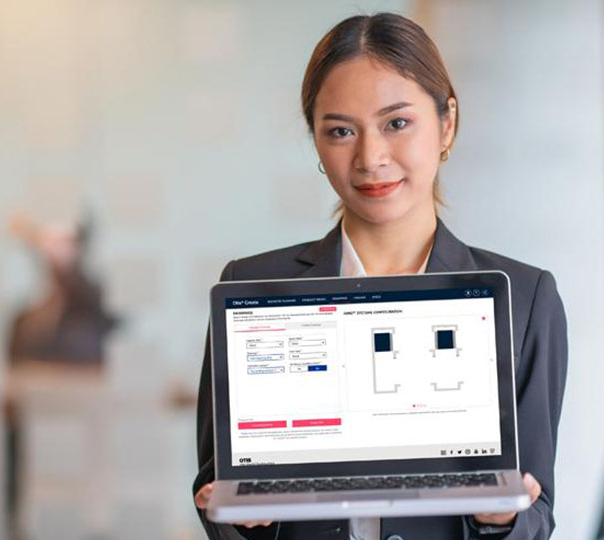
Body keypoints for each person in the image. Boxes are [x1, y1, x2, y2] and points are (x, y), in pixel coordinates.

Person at [193, 12, 567, 540]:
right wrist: (245, 523)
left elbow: (538, 514)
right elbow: (216, 492)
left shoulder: (527, 298)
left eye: (397, 123)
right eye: (341, 131)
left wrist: (502, 517)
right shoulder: (254, 286)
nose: (370, 158)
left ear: (447, 124)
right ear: (317, 144)